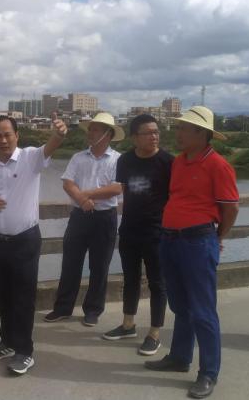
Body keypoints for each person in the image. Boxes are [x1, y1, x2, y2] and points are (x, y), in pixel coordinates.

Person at [144, 106, 239, 399]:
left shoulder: (218, 165)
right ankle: (180, 357)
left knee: (202, 310)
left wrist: (217, 237)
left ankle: (208, 372)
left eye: (184, 128)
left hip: (198, 241)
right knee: (180, 305)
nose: (178, 133)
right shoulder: (179, 162)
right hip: (170, 239)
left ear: (202, 133)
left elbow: (231, 208)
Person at [0, 113, 67, 375]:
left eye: (8, 134)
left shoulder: (29, 158)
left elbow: (51, 145)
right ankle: (7, 342)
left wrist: (59, 133)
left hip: (25, 240)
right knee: (3, 296)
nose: (3, 140)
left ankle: (24, 352)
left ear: (17, 136)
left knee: (23, 298)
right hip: (0, 240)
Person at [102, 114, 172, 357]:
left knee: (157, 283)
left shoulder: (168, 162)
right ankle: (128, 324)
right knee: (130, 279)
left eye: (156, 132)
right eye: (148, 133)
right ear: (134, 137)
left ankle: (154, 333)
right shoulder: (125, 161)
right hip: (130, 230)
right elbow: (124, 190)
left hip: (157, 232)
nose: (154, 136)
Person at [44, 112, 124, 327]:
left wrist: (86, 195)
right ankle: (63, 308)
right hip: (79, 216)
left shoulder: (118, 160)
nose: (90, 133)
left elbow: (117, 188)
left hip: (105, 217)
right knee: (71, 262)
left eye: (95, 129)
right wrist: (81, 199)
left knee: (100, 266)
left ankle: (93, 310)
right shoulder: (78, 157)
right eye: (90, 129)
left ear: (108, 134)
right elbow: (67, 183)